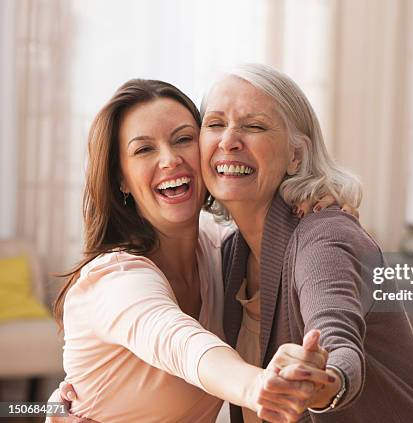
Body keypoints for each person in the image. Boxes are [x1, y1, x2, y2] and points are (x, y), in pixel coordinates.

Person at [48, 79, 337, 423]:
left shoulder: (220, 249)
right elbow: (182, 345)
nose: (170, 160)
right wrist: (258, 385)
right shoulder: (115, 279)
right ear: (121, 179)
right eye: (144, 149)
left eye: (183, 139)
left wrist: (313, 197)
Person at [199, 64, 413, 422]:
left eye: (253, 126)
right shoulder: (229, 253)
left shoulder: (324, 236)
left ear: (296, 155)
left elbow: (336, 339)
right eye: (215, 124)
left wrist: (325, 378)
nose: (229, 140)